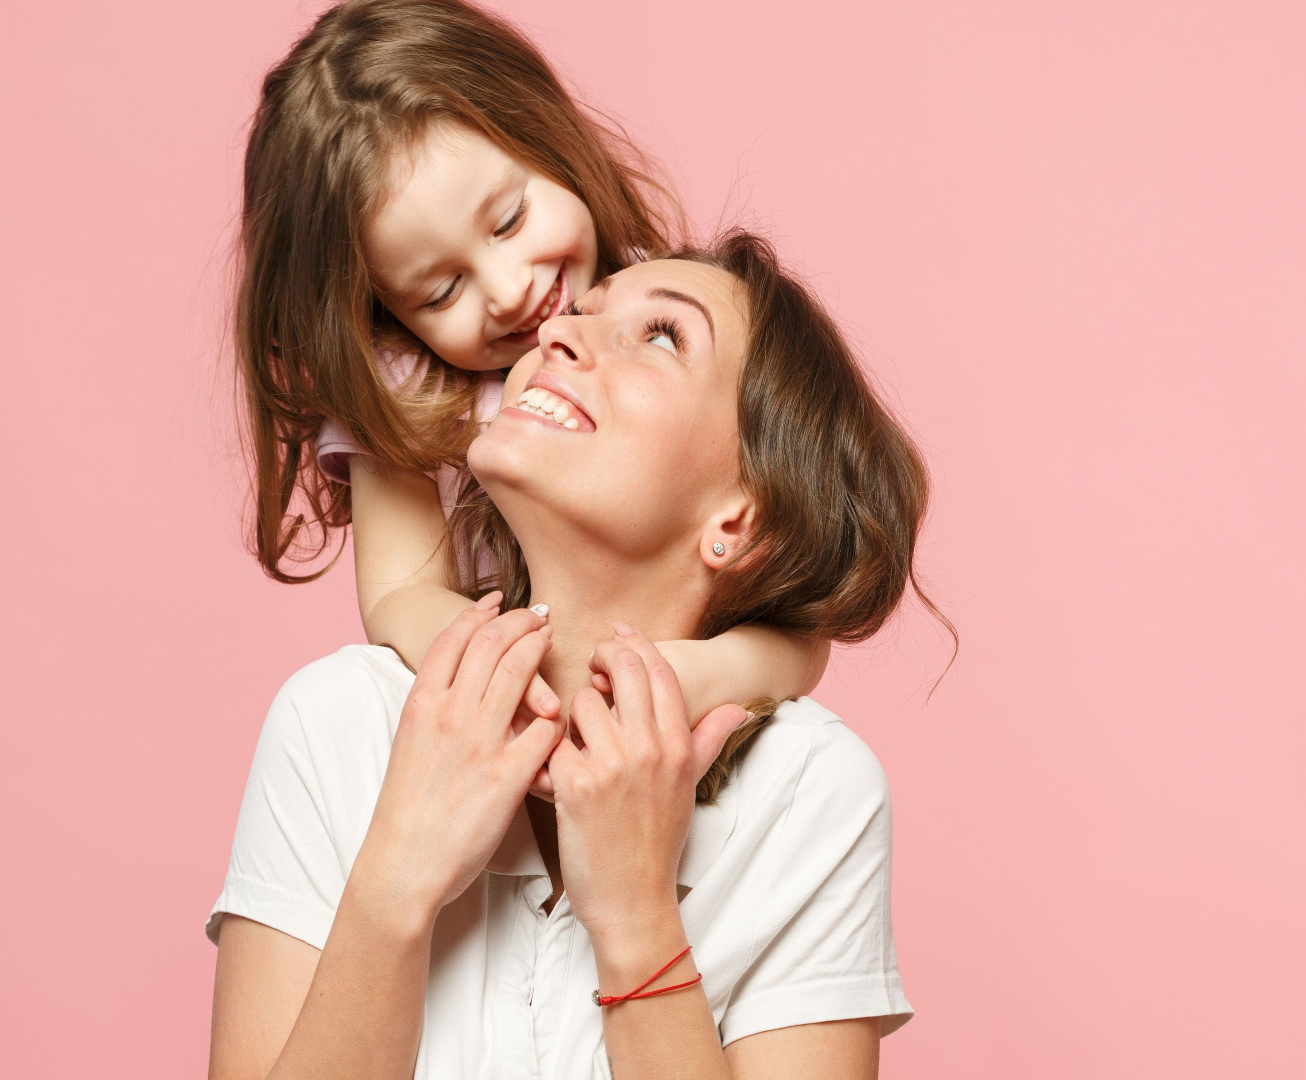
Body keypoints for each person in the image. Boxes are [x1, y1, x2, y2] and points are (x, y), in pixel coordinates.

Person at [210, 233, 941, 1079]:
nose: (554, 333)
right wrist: (395, 885)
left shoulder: (811, 794)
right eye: (583, 313)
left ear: (739, 520)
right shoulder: (338, 720)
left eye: (663, 335)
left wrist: (636, 921)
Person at [235, 0, 827, 733]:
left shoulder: (653, 317)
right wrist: (522, 680)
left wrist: (705, 671)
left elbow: (797, 625)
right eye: (442, 290)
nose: (512, 289)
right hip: (510, 736)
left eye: (510, 220)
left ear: (546, 140)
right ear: (385, 313)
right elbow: (400, 596)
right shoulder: (404, 397)